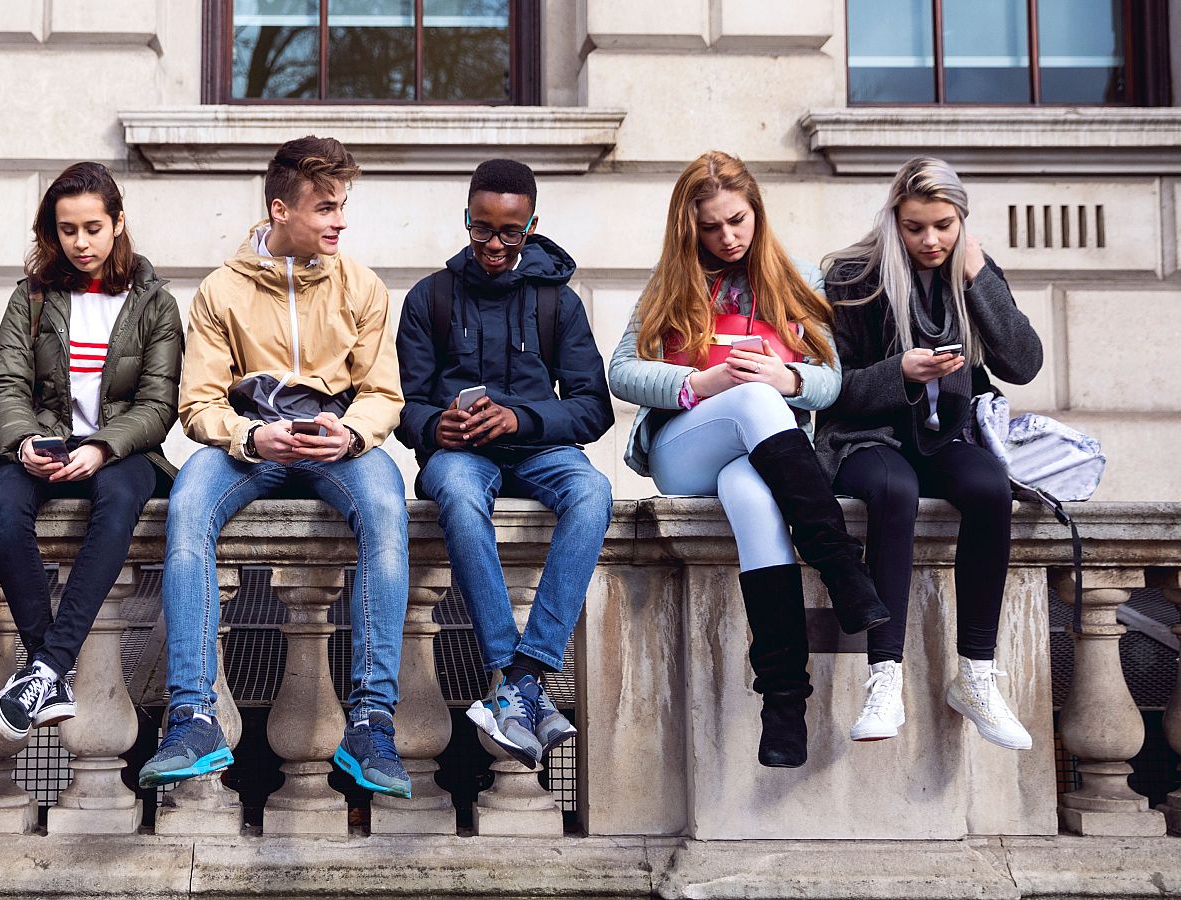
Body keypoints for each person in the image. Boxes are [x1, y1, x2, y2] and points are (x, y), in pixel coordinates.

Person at [135, 137, 412, 798]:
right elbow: (198, 403)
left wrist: (350, 432)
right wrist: (251, 436)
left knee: (385, 507)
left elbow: (383, 393)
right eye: (326, 207)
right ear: (281, 209)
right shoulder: (220, 290)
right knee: (188, 506)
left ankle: (371, 721)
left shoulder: (362, 286)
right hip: (247, 447)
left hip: (336, 445)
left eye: (342, 206)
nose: (340, 221)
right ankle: (193, 717)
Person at [607, 150, 888, 768]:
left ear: (757, 211)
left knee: (755, 500)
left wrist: (787, 378)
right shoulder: (671, 281)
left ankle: (784, 703)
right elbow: (621, 371)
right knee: (754, 401)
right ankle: (841, 567)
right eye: (710, 227)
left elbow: (831, 382)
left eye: (737, 220)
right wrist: (701, 384)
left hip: (759, 455)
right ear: (689, 227)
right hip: (685, 449)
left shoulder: (798, 279)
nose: (728, 237)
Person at [818, 157, 1043, 750]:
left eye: (944, 225)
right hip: (866, 438)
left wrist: (979, 278)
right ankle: (884, 678)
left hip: (947, 437)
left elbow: (1023, 363)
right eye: (915, 227)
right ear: (895, 220)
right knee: (896, 491)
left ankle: (976, 675)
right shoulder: (853, 279)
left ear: (961, 220)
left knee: (990, 489)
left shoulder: (973, 272)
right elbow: (832, 388)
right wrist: (900, 372)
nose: (931, 240)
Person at [394, 159, 613, 769]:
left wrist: (521, 419)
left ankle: (524, 676)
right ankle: (511, 674)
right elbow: (401, 403)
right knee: (459, 496)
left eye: (510, 232)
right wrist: (432, 425)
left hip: (541, 450)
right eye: (482, 228)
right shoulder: (430, 298)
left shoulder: (558, 302)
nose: (494, 244)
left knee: (593, 491)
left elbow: (594, 408)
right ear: (466, 219)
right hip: (461, 455)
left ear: (531, 226)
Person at [0, 161, 182, 740]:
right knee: (3, 505)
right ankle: (47, 671)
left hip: (123, 453)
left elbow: (158, 404)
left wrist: (101, 446)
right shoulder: (32, 298)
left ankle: (47, 667)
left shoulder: (155, 305)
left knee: (118, 503)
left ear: (117, 223)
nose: (80, 242)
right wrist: (23, 442)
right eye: (67, 230)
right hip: (43, 441)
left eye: (93, 228)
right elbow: (6, 383)